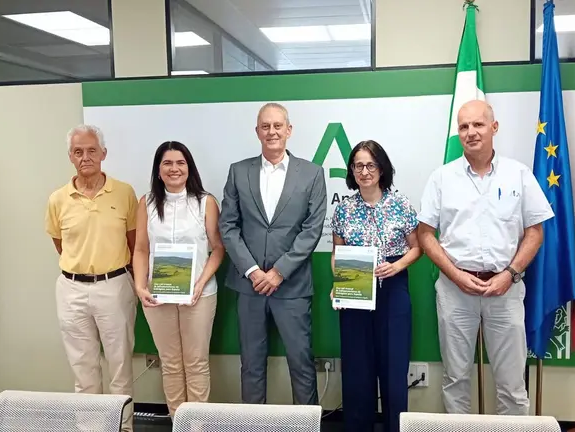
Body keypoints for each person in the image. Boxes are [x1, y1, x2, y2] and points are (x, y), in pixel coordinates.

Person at [417, 100, 554, 416]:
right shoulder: (442, 178)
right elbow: (425, 234)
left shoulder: (518, 174)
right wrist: (455, 274)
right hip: (455, 290)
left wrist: (511, 274)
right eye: (464, 126)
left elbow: (535, 232)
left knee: (512, 385)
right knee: (455, 380)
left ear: (494, 127)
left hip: (506, 289)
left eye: (478, 124)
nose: (470, 132)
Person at [219, 102, 327, 405]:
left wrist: (278, 272)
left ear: (289, 130)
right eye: (265, 126)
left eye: (278, 125)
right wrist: (253, 271)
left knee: (302, 365)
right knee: (251, 366)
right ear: (257, 132)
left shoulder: (312, 173)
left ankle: (307, 427)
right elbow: (228, 227)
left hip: (292, 286)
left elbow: (312, 230)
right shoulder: (238, 172)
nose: (272, 132)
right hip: (249, 286)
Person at [45, 124, 138, 431]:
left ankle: (122, 427)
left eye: (91, 150)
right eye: (78, 151)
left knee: (120, 365)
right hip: (71, 289)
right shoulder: (58, 199)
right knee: (83, 368)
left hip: (114, 286)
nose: (85, 157)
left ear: (104, 154)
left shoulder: (124, 193)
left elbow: (134, 243)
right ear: (70, 156)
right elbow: (61, 245)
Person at [330, 140, 421, 432]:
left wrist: (397, 266)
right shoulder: (343, 209)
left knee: (394, 369)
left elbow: (417, 248)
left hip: (393, 288)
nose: (365, 171)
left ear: (381, 168)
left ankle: (396, 427)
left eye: (371, 165)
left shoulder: (401, 204)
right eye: (358, 165)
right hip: (355, 288)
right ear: (352, 171)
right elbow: (336, 253)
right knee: (357, 369)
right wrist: (339, 282)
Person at [131, 141, 224, 418]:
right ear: (158, 170)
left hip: (199, 294)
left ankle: (196, 424)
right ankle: (177, 420)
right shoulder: (146, 203)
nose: (174, 168)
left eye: (180, 163)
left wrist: (200, 283)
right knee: (170, 363)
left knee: (196, 363)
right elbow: (141, 249)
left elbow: (218, 248)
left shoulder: (205, 202)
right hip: (158, 295)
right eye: (167, 163)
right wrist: (139, 286)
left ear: (189, 167)